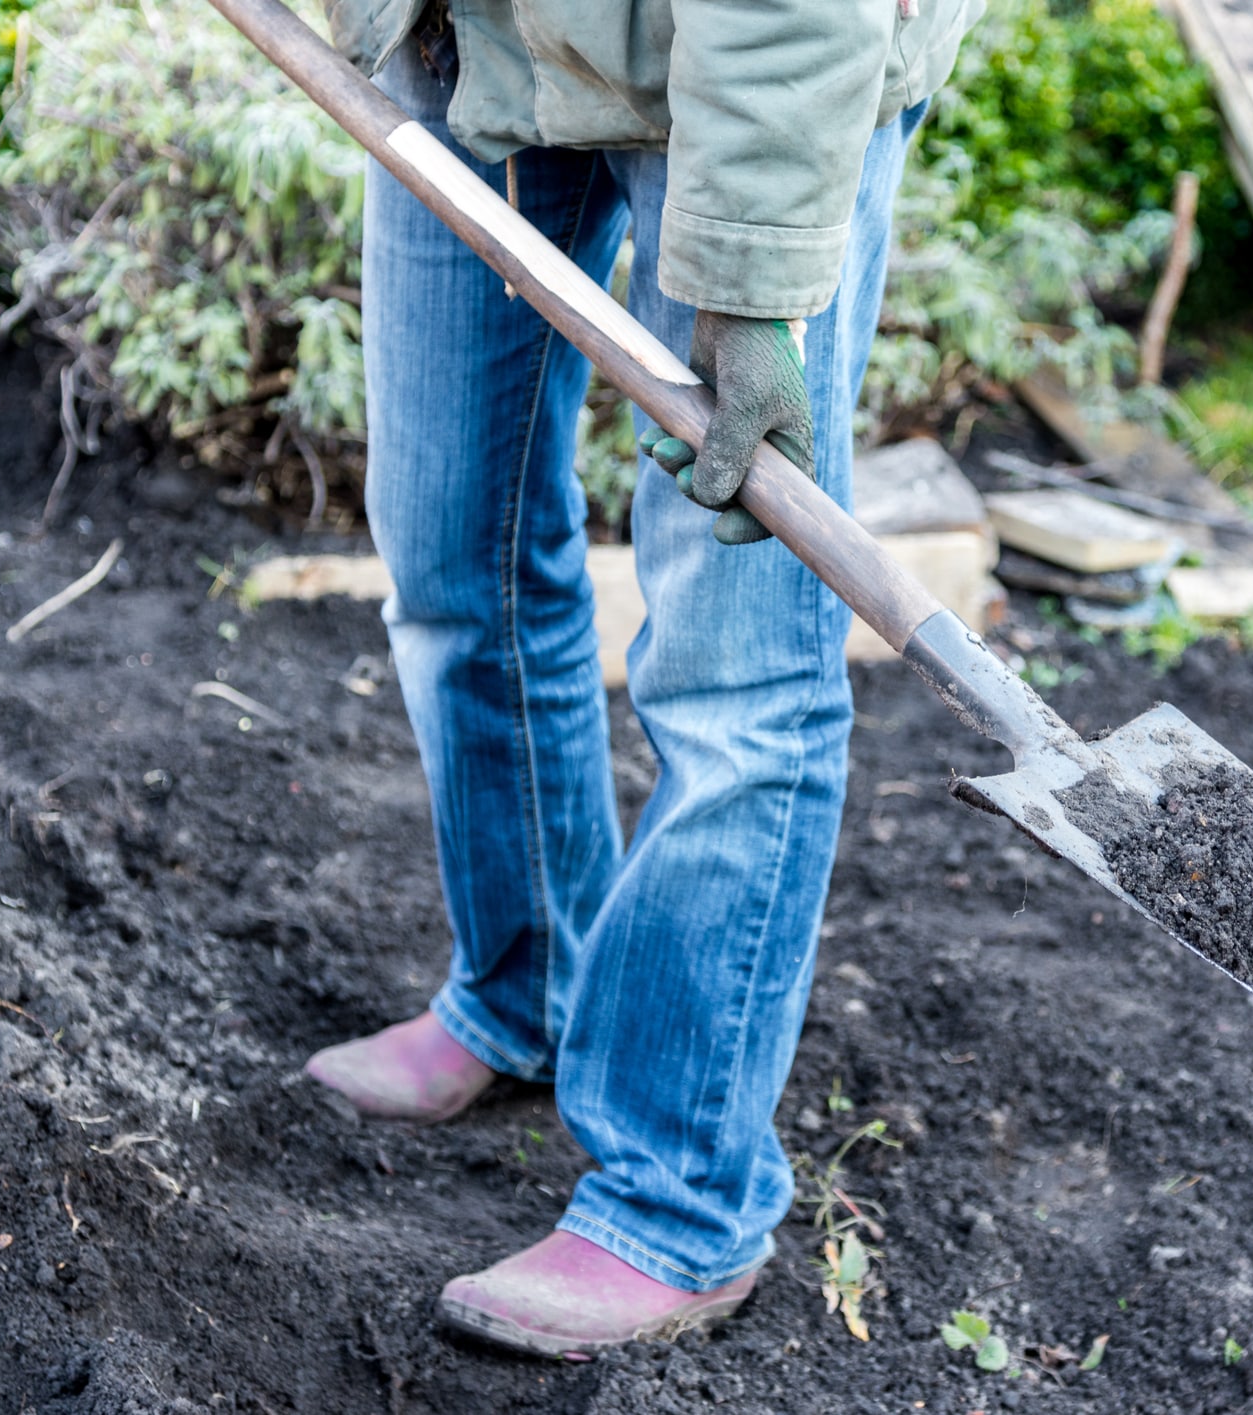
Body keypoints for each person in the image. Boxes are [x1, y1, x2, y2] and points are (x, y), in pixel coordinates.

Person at [303, 0, 981, 1358]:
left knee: (736, 666)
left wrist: (754, 280)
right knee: (454, 553)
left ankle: (680, 1196)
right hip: (472, 38)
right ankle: (524, 991)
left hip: (742, 88)